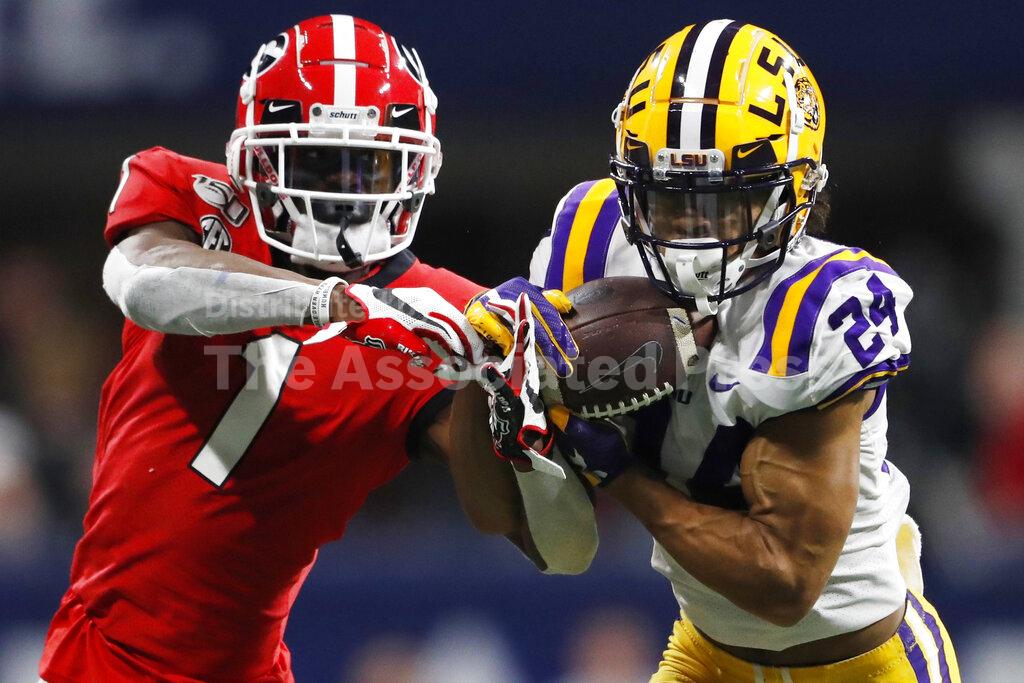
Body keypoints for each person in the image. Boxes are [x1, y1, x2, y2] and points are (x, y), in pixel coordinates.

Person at [38, 14, 595, 683]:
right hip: (107, 656)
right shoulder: (198, 200)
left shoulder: (451, 313)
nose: (342, 193)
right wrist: (333, 301)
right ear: (257, 159)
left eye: (370, 166)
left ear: (415, 167)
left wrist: (505, 400)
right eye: (318, 162)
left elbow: (558, 547)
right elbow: (144, 284)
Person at [520, 20, 960, 682]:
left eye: (725, 202)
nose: (692, 234)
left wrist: (622, 476)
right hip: (708, 656)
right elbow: (531, 527)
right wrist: (499, 367)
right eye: (670, 199)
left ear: (794, 192)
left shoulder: (821, 306)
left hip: (863, 665)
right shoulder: (592, 243)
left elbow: (786, 585)